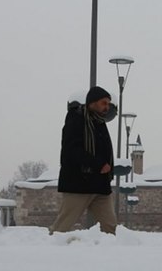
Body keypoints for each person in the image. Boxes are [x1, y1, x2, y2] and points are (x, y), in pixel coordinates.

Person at [50, 86, 117, 235]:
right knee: (62, 227)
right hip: (78, 183)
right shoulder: (76, 119)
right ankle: (50, 252)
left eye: (108, 103)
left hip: (100, 185)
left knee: (111, 228)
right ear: (92, 103)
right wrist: (98, 164)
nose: (107, 107)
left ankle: (113, 255)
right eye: (103, 103)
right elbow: (71, 150)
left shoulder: (99, 122)